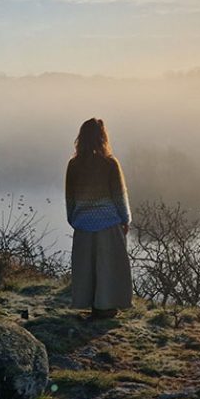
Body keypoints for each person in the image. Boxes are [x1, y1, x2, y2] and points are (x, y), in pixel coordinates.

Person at [64, 118, 133, 319]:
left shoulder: (74, 165)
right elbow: (119, 195)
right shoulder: (110, 163)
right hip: (109, 223)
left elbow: (70, 198)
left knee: (86, 267)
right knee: (108, 265)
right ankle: (107, 307)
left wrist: (74, 220)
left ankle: (92, 306)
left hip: (83, 224)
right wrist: (125, 219)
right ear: (102, 138)